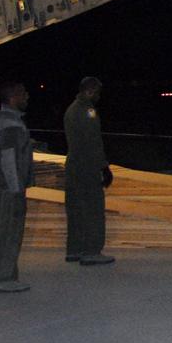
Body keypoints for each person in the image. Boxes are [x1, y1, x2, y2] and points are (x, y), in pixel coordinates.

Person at [0, 82, 35, 293]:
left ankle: (7, 276)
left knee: (6, 231)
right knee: (7, 232)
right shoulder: (9, 122)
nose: (27, 97)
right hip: (6, 189)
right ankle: (4, 279)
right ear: (13, 97)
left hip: (1, 187)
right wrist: (16, 190)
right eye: (24, 94)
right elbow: (9, 159)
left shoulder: (3, 119)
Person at [63, 77, 115, 266]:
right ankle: (92, 251)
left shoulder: (71, 109)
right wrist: (104, 166)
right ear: (90, 91)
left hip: (73, 166)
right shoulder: (87, 112)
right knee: (93, 208)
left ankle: (74, 249)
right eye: (98, 92)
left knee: (75, 209)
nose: (99, 97)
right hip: (87, 166)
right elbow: (94, 142)